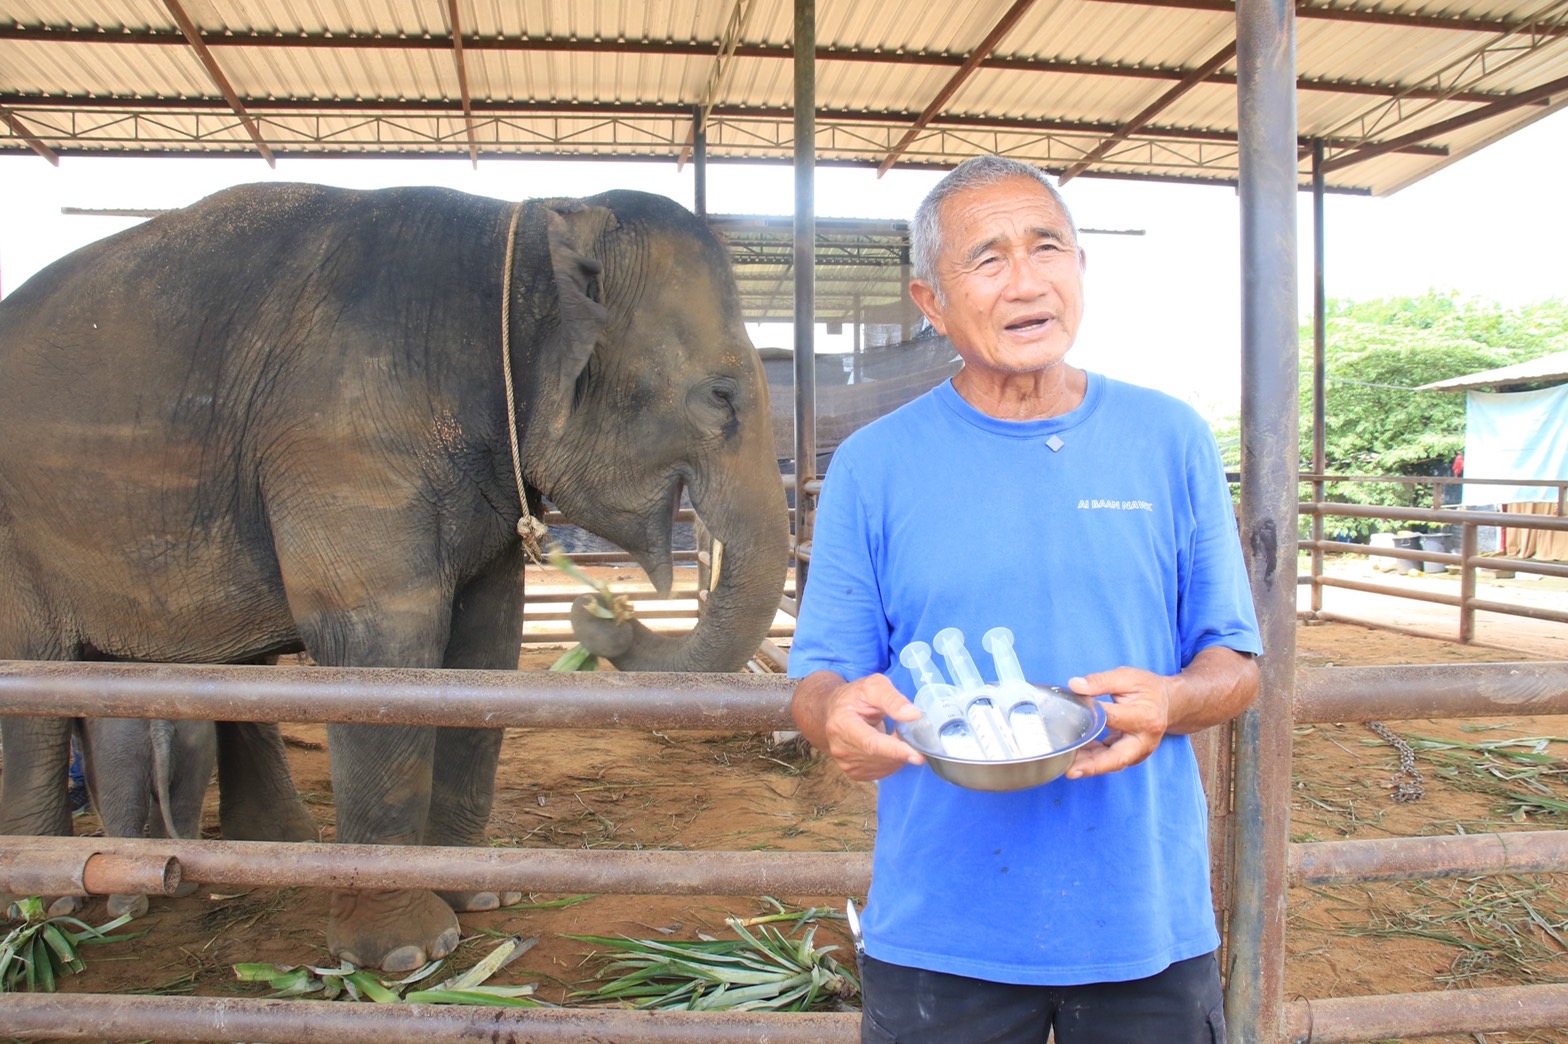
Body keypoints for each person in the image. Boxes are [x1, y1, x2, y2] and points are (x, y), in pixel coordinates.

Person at [788, 155, 1263, 1043]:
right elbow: (820, 676)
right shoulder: (874, 464)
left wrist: (1174, 698)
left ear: (1082, 269)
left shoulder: (1170, 439)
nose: (1027, 281)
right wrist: (833, 716)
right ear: (930, 301)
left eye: (1049, 248)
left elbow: (1235, 667)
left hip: (1143, 926)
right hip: (941, 933)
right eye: (988, 258)